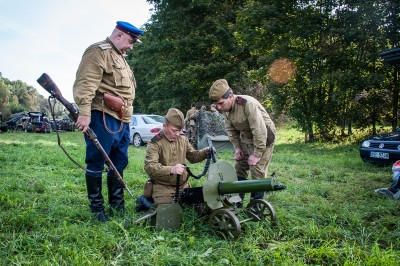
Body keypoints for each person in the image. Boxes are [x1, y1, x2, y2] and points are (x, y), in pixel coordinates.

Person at [73, 21, 144, 222]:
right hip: (102, 116)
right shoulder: (99, 51)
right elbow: (85, 83)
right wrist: (84, 113)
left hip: (122, 118)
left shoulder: (121, 58)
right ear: (119, 35)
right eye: (131, 41)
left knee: (119, 162)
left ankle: (117, 205)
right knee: (96, 161)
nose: (131, 46)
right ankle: (97, 210)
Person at [208, 79, 276, 206]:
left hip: (264, 137)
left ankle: (255, 206)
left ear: (230, 96)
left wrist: (257, 154)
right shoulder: (226, 109)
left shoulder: (247, 104)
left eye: (221, 103)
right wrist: (238, 148)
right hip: (247, 137)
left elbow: (259, 130)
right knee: (239, 167)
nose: (219, 107)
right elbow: (231, 130)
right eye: (217, 104)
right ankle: (237, 202)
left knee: (257, 170)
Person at [135, 108, 212, 211]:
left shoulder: (183, 139)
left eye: (180, 130)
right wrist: (171, 169)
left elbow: (193, 156)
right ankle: (143, 200)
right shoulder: (154, 143)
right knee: (167, 211)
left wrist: (206, 152)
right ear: (164, 126)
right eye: (174, 130)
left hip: (183, 185)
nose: (178, 134)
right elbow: (149, 167)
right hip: (163, 186)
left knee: (199, 204)